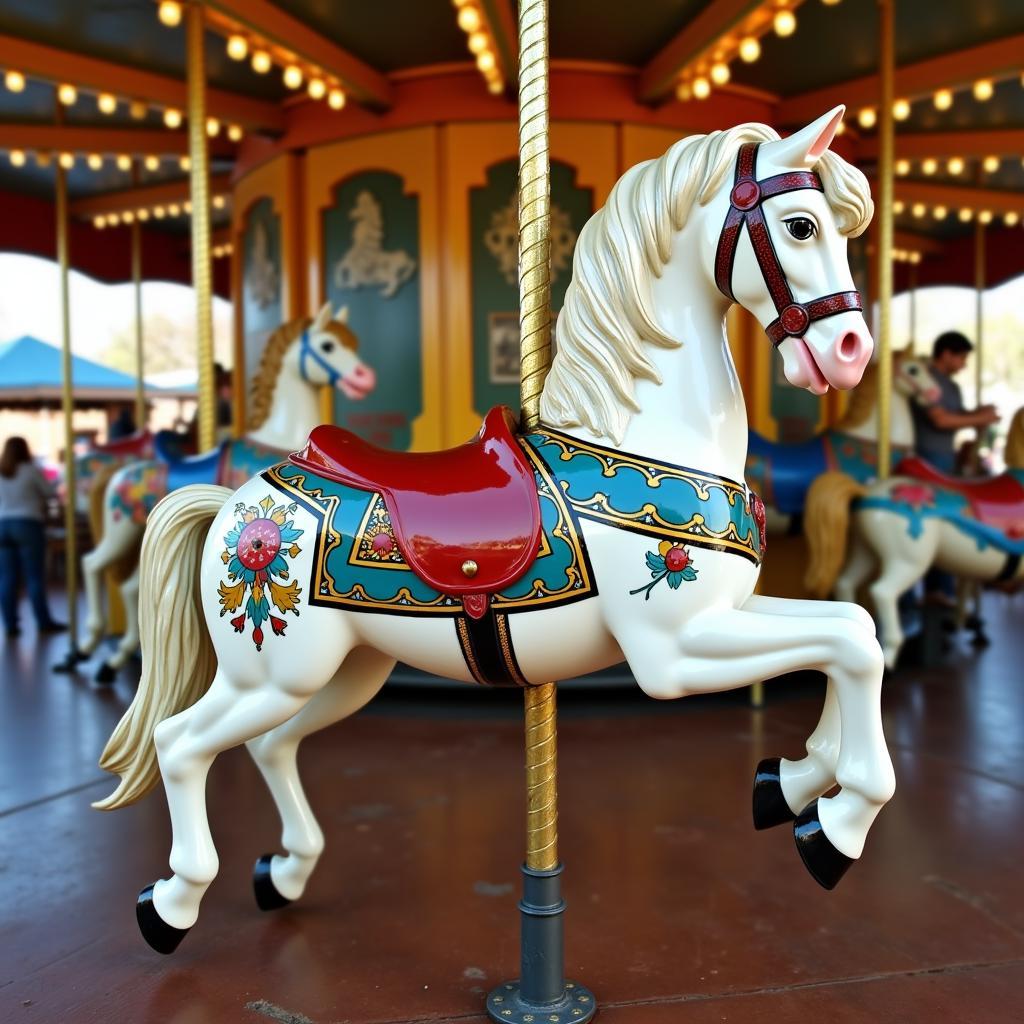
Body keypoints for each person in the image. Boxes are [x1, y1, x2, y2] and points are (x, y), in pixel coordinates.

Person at [0, 437, 65, 637]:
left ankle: (10, 625)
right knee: (34, 576)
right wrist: (59, 481)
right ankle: (43, 621)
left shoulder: (1, 471)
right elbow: (50, 492)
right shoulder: (30, 470)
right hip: (28, 524)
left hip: (3, 525)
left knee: (7, 578)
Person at [912, 331, 999, 474]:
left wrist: (978, 413)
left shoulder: (953, 386)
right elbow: (941, 420)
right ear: (946, 354)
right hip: (927, 455)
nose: (965, 364)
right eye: (962, 357)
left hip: (947, 455)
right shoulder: (926, 381)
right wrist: (981, 418)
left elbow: (958, 416)